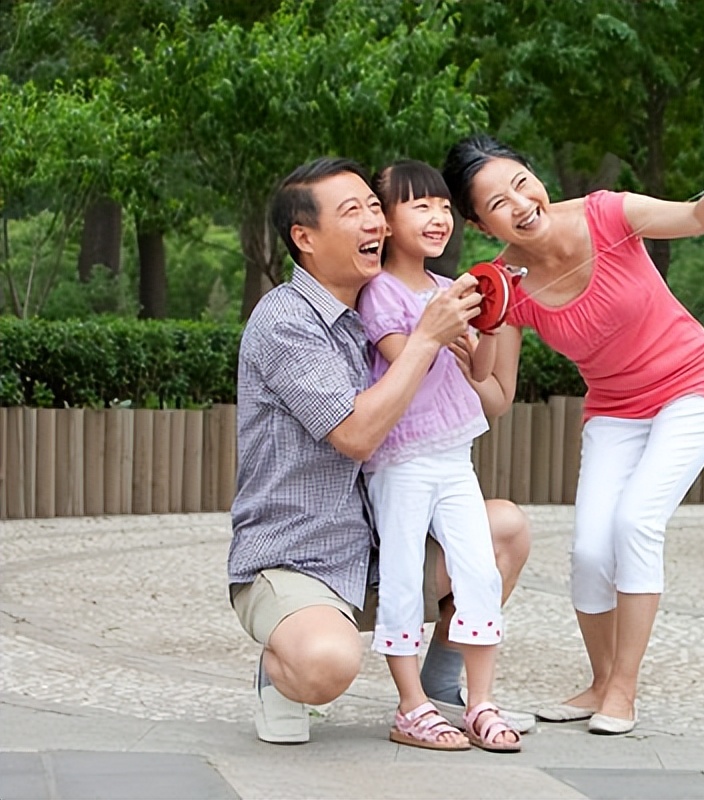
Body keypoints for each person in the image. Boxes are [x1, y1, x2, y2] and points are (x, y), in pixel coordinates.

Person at [442, 135, 704, 735]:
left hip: (694, 384)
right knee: (589, 549)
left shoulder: (607, 212)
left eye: (520, 182)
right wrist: (455, 359)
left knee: (635, 522)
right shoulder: (503, 284)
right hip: (615, 407)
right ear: (481, 224)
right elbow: (498, 397)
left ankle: (624, 691)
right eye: (497, 203)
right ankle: (600, 680)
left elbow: (695, 218)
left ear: (535, 175)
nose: (520, 203)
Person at [227, 156, 531, 745]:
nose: (375, 223)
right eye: (353, 212)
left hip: (378, 549)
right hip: (299, 561)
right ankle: (279, 670)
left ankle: (442, 689)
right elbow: (357, 434)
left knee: (505, 531)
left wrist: (486, 326)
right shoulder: (286, 321)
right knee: (325, 664)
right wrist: (427, 338)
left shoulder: (387, 301)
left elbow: (481, 394)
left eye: (374, 207)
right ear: (305, 238)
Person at [355, 159, 519, 752]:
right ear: (387, 220)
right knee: (402, 577)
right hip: (400, 459)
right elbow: (407, 356)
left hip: (455, 456)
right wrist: (443, 324)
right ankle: (410, 706)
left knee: (480, 570)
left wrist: (492, 320)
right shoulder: (380, 293)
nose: (438, 216)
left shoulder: (444, 289)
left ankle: (480, 703)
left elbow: (476, 369)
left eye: (445, 206)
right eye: (419, 205)